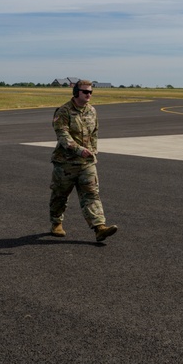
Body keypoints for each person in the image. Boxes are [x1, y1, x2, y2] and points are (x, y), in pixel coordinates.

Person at [48, 79, 117, 242]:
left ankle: (99, 227)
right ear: (76, 92)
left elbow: (95, 132)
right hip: (66, 163)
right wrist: (79, 150)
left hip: (86, 163)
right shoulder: (63, 111)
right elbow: (62, 135)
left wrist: (93, 151)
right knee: (60, 195)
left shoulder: (92, 111)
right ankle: (56, 223)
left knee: (92, 195)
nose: (89, 95)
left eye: (91, 92)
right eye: (85, 92)